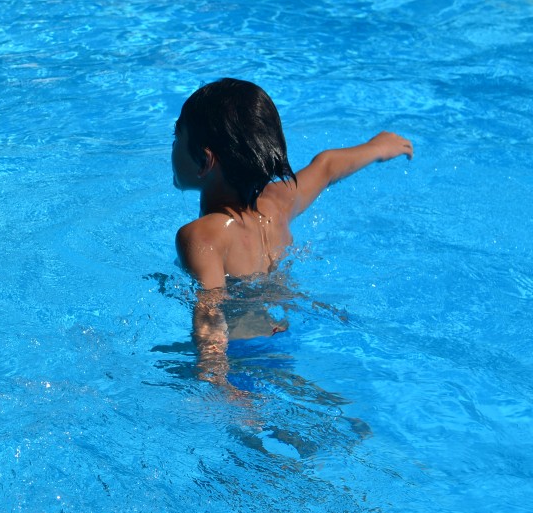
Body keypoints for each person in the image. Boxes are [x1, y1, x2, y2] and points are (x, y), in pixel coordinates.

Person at [171, 78, 412, 389]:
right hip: (283, 333)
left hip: (238, 355)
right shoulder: (276, 206)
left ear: (205, 160)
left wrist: (214, 376)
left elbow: (210, 308)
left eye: (176, 137)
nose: (172, 147)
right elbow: (326, 167)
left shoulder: (201, 235)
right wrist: (377, 148)